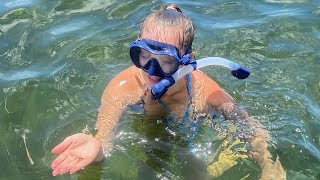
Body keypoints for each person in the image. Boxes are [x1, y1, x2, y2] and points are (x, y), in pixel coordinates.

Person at [51, 4, 286, 179]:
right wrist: (97, 148)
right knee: (148, 166)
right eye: (144, 56)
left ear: (186, 61)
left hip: (187, 135)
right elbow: (105, 137)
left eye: (165, 61)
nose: (151, 70)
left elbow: (249, 127)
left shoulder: (204, 91)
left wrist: (267, 165)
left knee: (194, 170)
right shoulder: (122, 88)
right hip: (147, 131)